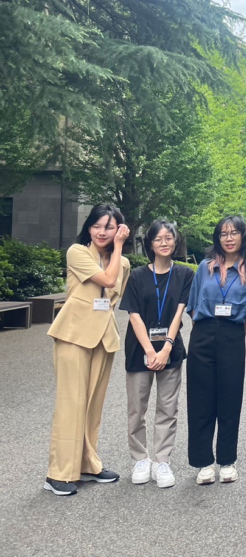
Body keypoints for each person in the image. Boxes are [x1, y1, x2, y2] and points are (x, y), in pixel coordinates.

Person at [44, 204, 131, 496]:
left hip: (104, 337)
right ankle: (58, 473)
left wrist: (118, 253)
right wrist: (118, 247)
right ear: (89, 227)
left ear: (120, 228)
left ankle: (86, 464)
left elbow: (112, 298)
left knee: (93, 405)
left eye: (110, 226)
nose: (103, 232)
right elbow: (107, 281)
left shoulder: (124, 263)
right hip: (73, 335)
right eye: (98, 225)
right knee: (71, 403)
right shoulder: (77, 252)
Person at [186, 215, 246, 485]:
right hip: (203, 332)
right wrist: (207, 328)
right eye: (223, 234)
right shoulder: (205, 268)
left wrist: (234, 335)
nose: (228, 238)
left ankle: (227, 460)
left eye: (234, 233)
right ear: (217, 239)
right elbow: (192, 306)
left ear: (243, 236)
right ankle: (203, 462)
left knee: (230, 398)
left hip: (232, 335)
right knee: (200, 398)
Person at [120, 220, 193, 489]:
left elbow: (179, 313)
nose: (164, 242)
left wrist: (166, 347)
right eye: (158, 239)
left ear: (175, 241)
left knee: (167, 408)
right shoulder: (138, 275)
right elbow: (134, 315)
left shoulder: (185, 274)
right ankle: (140, 459)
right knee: (136, 408)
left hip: (170, 351)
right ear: (150, 244)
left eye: (169, 238)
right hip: (140, 350)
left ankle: (162, 460)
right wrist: (151, 351)